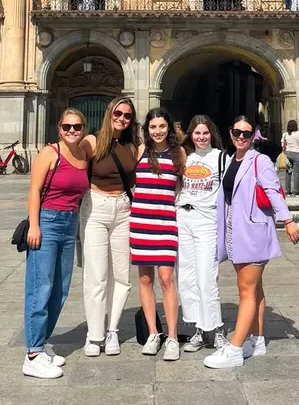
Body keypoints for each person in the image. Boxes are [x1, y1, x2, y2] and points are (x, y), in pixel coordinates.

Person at [204, 117, 299, 369]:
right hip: (235, 231)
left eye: (247, 134)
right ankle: (257, 341)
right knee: (254, 289)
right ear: (230, 133)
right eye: (237, 132)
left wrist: (288, 220)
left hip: (254, 232)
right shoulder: (230, 160)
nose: (242, 137)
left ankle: (234, 348)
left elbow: (273, 191)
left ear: (253, 136)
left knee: (245, 291)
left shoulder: (261, 161)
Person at [22, 109, 91, 380]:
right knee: (41, 287)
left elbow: (102, 139)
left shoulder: (84, 153)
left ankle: (43, 342)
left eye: (77, 126)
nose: (72, 131)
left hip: (69, 223)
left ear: (84, 129)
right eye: (66, 126)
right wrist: (35, 225)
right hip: (47, 223)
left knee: (60, 289)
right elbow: (34, 191)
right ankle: (32, 354)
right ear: (58, 128)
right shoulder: (49, 153)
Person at [80, 96, 139, 358]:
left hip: (124, 209)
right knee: (96, 275)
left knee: (121, 275)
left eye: (127, 115)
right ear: (109, 113)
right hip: (96, 209)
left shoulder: (134, 147)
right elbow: (71, 164)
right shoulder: (92, 142)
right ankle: (94, 335)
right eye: (118, 113)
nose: (122, 118)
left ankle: (113, 330)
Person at [131, 107, 185, 361]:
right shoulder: (141, 151)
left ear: (169, 127)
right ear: (147, 129)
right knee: (144, 280)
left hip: (165, 223)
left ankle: (172, 336)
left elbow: (184, 188)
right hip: (141, 222)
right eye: (153, 127)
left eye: (162, 126)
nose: (157, 131)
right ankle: (154, 333)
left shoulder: (178, 154)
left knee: (166, 279)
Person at [176, 116, 228, 354]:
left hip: (207, 220)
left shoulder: (221, 158)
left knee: (207, 277)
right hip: (184, 219)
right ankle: (198, 328)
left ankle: (216, 329)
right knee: (186, 278)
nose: (201, 137)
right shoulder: (184, 157)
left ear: (212, 134)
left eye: (205, 133)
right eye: (197, 133)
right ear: (190, 135)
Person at [281, 120, 299, 196]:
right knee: (296, 173)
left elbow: (282, 145)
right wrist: (298, 144)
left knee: (288, 172)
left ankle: (288, 191)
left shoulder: (285, 134)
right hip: (296, 153)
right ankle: (296, 191)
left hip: (287, 153)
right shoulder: (298, 134)